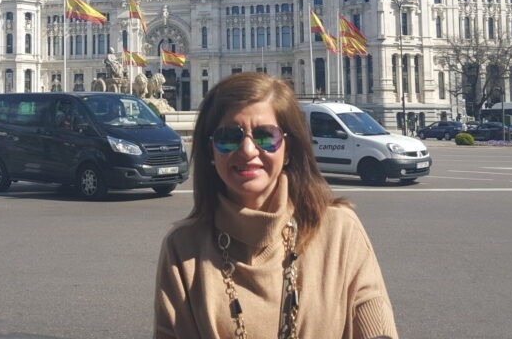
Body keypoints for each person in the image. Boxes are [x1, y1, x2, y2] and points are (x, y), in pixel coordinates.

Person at [154, 72, 398, 338]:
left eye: (265, 136)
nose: (247, 150)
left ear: (288, 148)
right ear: (210, 150)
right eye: (228, 137)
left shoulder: (341, 232)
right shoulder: (183, 249)